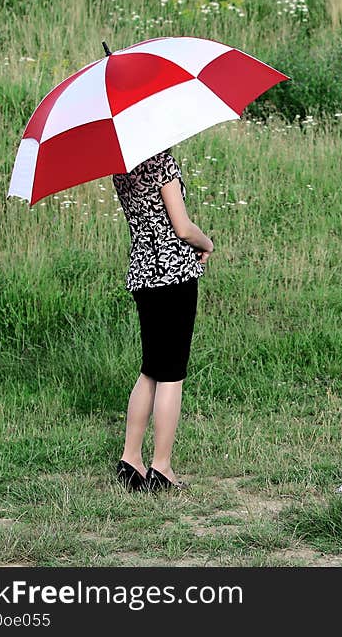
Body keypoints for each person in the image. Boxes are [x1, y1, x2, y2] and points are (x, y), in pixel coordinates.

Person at [111, 149, 214, 491]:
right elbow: (182, 227)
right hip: (174, 276)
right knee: (172, 374)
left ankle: (131, 459)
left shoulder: (121, 167)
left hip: (142, 274)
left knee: (151, 369)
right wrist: (207, 242)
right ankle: (162, 468)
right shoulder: (162, 162)